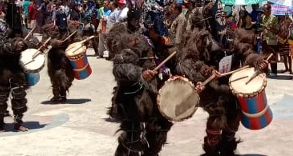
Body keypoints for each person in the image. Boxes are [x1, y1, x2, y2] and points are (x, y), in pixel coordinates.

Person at [176, 22, 268, 155]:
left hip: (232, 86)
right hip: (211, 88)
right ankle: (211, 150)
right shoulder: (202, 38)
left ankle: (228, 149)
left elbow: (247, 54)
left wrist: (258, 61)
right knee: (216, 119)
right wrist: (206, 71)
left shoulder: (235, 36)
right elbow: (189, 61)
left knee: (233, 118)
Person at [107, 11, 175, 156]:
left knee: (157, 135)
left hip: (156, 95)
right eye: (155, 31)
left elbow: (177, 64)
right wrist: (140, 73)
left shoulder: (163, 43)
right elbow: (119, 68)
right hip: (134, 96)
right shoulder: (132, 42)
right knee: (133, 140)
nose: (159, 35)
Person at [0, 0, 38, 132]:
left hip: (18, 69)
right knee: (0, 98)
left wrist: (24, 44)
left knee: (19, 97)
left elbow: (34, 42)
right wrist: (11, 45)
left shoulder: (23, 30)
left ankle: (18, 122)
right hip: (2, 69)